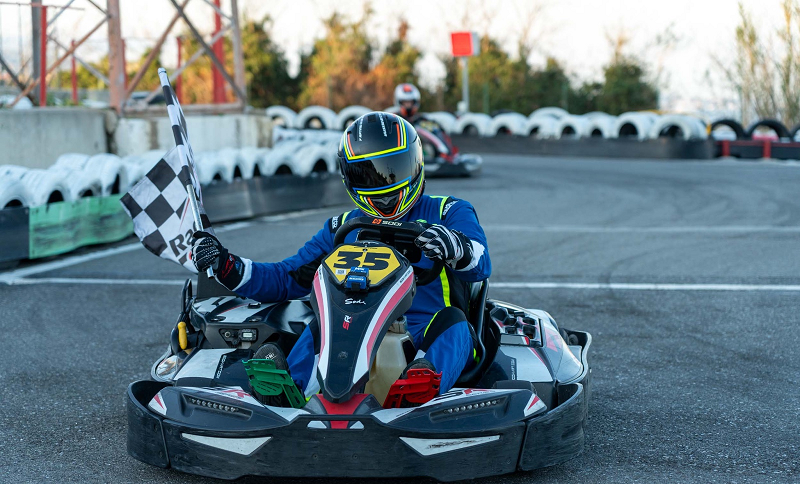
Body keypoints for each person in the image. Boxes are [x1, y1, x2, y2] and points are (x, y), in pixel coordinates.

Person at [191, 112, 490, 404]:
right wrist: (225, 265)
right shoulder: (341, 228)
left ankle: (419, 389)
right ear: (349, 176)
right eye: (368, 174)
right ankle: (285, 395)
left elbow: (481, 263)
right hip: (351, 330)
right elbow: (286, 277)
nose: (384, 186)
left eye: (392, 169)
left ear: (415, 163)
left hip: (425, 334)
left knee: (455, 323)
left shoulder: (448, 211)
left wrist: (455, 246)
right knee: (318, 323)